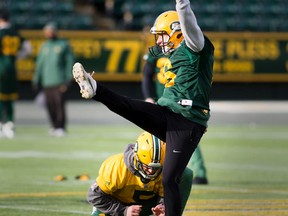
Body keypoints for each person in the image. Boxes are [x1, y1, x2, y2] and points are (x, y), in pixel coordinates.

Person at [72, 0, 214, 214]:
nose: (160, 41)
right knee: (128, 107)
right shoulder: (174, 54)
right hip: (169, 113)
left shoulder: (195, 46)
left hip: (187, 122)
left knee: (169, 178)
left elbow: (189, 22)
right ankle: (95, 89)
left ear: (177, 31)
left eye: (163, 35)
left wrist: (182, 4)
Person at [87, 131, 193, 216]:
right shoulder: (117, 166)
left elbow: (166, 193)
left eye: (156, 168)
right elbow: (94, 196)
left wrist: (163, 207)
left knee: (185, 174)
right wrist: (123, 211)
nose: (151, 171)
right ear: (136, 158)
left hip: (145, 206)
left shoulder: (165, 168)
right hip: (117, 205)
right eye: (147, 167)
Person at [141, 52, 208, 184]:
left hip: (179, 101)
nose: (160, 40)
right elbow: (147, 75)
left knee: (187, 134)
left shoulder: (185, 51)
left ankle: (198, 173)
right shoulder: (158, 51)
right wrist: (149, 97)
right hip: (161, 101)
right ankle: (158, 171)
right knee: (154, 139)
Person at [32, 21, 74, 137]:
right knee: (49, 105)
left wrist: (68, 79)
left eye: (51, 31)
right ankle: (54, 126)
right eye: (47, 31)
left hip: (59, 80)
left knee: (59, 104)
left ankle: (61, 127)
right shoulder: (44, 46)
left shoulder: (63, 44)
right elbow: (39, 64)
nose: (49, 33)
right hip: (47, 81)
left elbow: (69, 63)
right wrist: (36, 79)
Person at [0, 9, 32, 139]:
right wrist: (16, 57)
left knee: (1, 98)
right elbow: (28, 49)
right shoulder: (15, 33)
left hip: (1, 68)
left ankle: (2, 124)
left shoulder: (1, 33)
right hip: (12, 69)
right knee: (10, 98)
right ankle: (10, 123)